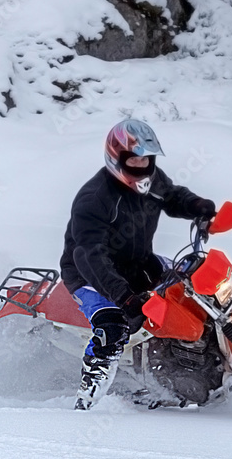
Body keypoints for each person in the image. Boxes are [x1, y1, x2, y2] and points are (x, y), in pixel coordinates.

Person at [60, 119, 217, 410]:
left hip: (138, 261)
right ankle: (88, 399)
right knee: (114, 327)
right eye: (133, 159)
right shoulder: (94, 199)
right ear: (116, 158)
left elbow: (172, 196)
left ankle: (194, 363)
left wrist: (197, 206)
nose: (140, 164)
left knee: (196, 284)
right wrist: (124, 297)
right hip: (90, 274)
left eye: (145, 159)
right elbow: (89, 256)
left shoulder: (152, 182)